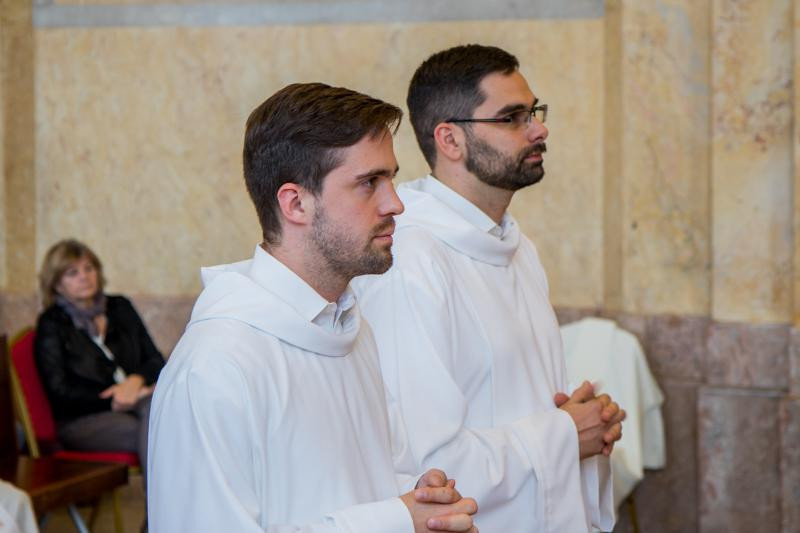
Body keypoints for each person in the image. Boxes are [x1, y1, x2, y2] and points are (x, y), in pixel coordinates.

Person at [147, 82, 478, 532]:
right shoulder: (215, 366)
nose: (396, 203)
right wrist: (398, 520)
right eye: (369, 183)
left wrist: (420, 497)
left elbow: (370, 479)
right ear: (296, 203)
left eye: (391, 179)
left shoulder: (350, 330)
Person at [353, 44, 625, 532]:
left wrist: (584, 421)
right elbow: (424, 465)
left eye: (534, 112)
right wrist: (565, 434)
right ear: (450, 139)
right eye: (512, 117)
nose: (538, 129)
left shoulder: (516, 247)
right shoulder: (409, 261)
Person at [35, 239, 163, 482]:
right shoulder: (51, 324)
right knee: (159, 429)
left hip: (138, 400)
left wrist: (135, 380)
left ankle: (165, 506)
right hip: (83, 417)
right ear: (57, 284)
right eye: (72, 273)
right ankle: (162, 506)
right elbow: (59, 390)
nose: (84, 277)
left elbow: (155, 360)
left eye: (89, 268)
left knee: (162, 415)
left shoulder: (120, 307)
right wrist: (113, 399)